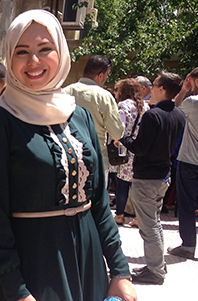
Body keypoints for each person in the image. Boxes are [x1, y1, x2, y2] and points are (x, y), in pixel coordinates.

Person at [0, 9, 136, 301]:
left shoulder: (81, 117)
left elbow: (99, 203)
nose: (33, 61)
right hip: (32, 265)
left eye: (45, 49)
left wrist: (120, 271)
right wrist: (17, 290)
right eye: (22, 52)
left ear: (61, 52)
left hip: (86, 260)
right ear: (10, 58)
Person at [119, 70, 185, 285]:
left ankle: (155, 271)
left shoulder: (153, 115)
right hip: (163, 176)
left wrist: (123, 138)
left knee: (149, 227)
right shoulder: (178, 114)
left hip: (147, 178)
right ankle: (156, 265)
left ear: (162, 89)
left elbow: (140, 147)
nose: (150, 89)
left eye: (155, 84)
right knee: (154, 223)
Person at [64, 55, 125, 171]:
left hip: (68, 156)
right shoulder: (104, 96)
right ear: (100, 75)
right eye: (107, 75)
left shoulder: (65, 91)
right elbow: (117, 133)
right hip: (95, 158)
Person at [165, 67, 198, 259]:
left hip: (190, 161)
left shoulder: (192, 102)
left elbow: (172, 106)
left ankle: (188, 246)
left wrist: (184, 90)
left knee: (186, 204)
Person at [109, 79, 149, 225]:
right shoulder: (145, 106)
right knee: (137, 186)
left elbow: (120, 128)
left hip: (125, 149)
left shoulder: (123, 106)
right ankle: (139, 217)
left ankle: (119, 215)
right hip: (141, 149)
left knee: (122, 185)